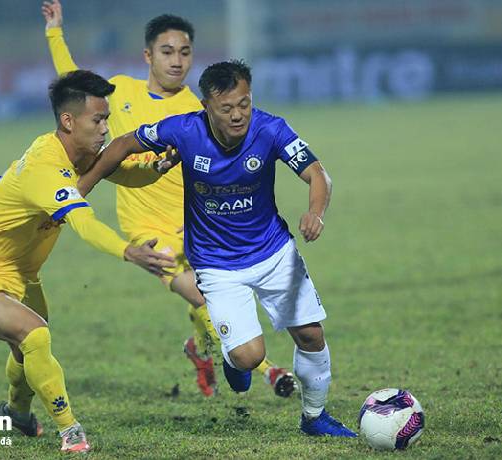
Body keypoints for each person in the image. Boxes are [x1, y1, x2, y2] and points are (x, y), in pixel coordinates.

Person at [78, 60, 358, 437]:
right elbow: (124, 144)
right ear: (206, 106)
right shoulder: (183, 130)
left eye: (244, 103)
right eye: (226, 108)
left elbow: (317, 174)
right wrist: (81, 189)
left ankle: (314, 417)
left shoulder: (271, 129)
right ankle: (233, 359)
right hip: (216, 265)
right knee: (249, 357)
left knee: (311, 335)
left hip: (274, 253)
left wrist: (315, 213)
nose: (238, 115)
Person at [41, 0, 294, 398]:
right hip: (148, 230)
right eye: (167, 51)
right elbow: (72, 83)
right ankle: (268, 370)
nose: (177, 61)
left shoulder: (198, 109)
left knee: (211, 296)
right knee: (201, 294)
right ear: (148, 55)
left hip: (197, 224)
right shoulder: (120, 92)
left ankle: (200, 349)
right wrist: (55, 31)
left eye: (185, 52)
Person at [0, 70, 175, 453]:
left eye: (107, 118)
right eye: (98, 120)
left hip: (22, 275)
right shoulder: (44, 169)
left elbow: (118, 170)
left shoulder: (76, 154)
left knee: (25, 348)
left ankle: (17, 412)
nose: (105, 128)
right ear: (68, 121)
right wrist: (127, 250)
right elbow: (84, 222)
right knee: (34, 334)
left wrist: (155, 168)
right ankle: (70, 431)